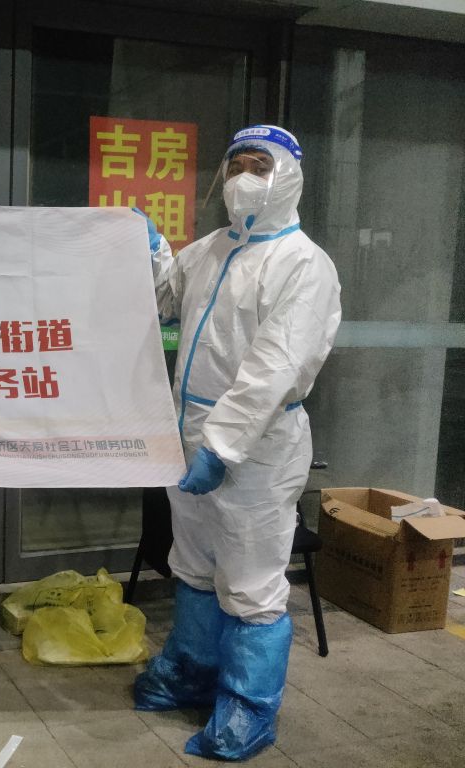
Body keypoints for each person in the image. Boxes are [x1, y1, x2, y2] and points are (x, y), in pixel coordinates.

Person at [132, 125, 342, 760]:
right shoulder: (209, 250)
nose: (244, 178)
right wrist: (148, 250)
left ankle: (248, 710)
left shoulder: (303, 264)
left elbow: (273, 370)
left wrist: (221, 446)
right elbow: (164, 300)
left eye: (259, 166)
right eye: (235, 166)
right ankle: (191, 672)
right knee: (194, 564)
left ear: (287, 177)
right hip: (189, 433)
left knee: (250, 582)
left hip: (258, 448)